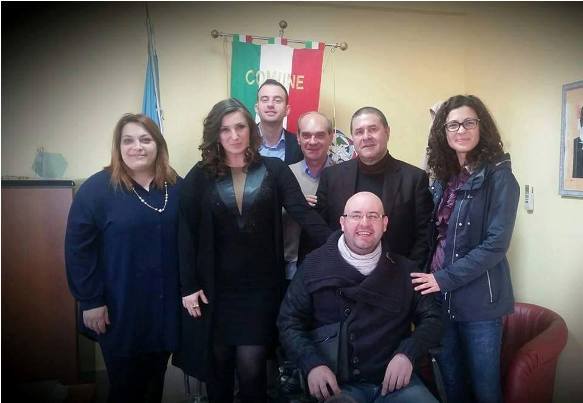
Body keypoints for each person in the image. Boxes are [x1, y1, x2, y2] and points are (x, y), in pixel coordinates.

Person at [172, 98, 331, 403]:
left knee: (252, 370)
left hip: (259, 290)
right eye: (225, 129)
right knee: (218, 369)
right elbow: (185, 233)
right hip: (214, 291)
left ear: (251, 128)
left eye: (240, 127)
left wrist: (344, 245)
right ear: (216, 135)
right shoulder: (200, 175)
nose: (234, 135)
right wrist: (188, 286)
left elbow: (303, 214)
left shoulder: (274, 169)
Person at [278, 192, 442, 403]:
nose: (364, 223)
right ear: (342, 222)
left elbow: (433, 318)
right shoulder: (312, 266)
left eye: (373, 216)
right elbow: (289, 322)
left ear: (384, 224)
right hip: (337, 384)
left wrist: (408, 353)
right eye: (356, 215)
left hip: (396, 384)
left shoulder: (406, 271)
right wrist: (312, 364)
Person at [65, 114, 181, 403]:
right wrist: (90, 301)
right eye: (128, 140)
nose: (137, 147)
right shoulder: (97, 189)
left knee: (154, 384)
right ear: (118, 147)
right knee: (126, 388)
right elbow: (78, 250)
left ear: (158, 145)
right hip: (118, 309)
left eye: (145, 139)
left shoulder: (175, 185)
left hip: (163, 309)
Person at [411, 95, 520, 403]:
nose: (461, 130)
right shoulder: (445, 178)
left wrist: (442, 279)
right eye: (453, 125)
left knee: (485, 391)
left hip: (480, 305)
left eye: (469, 122)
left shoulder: (500, 178)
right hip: (439, 301)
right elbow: (432, 232)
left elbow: (495, 246)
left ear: (482, 127)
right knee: (452, 385)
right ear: (443, 132)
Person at [316, 107, 434, 269]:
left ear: (387, 132)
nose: (366, 137)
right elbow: (320, 227)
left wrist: (408, 274)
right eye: (359, 132)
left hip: (395, 275)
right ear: (353, 138)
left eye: (373, 129)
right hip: (339, 273)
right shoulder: (331, 176)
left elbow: (424, 235)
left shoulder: (414, 179)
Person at [283, 111, 335, 281]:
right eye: (306, 135)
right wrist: (293, 204)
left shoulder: (343, 176)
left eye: (320, 135)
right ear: (298, 138)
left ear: (331, 137)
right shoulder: (284, 175)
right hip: (288, 266)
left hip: (328, 266)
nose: (312, 141)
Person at [256, 78, 303, 164]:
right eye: (265, 100)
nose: (270, 105)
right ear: (256, 108)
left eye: (277, 100)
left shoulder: (299, 145)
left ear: (287, 110)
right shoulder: (244, 140)